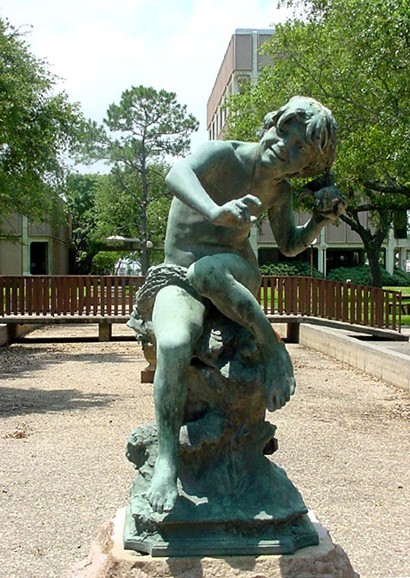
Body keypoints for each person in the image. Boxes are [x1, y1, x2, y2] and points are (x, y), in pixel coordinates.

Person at [129, 96, 346, 514]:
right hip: (180, 275)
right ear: (271, 122)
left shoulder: (279, 193)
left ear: (305, 169)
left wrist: (319, 222)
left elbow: (289, 245)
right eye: (285, 130)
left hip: (232, 274)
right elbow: (176, 172)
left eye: (300, 148)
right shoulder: (222, 154)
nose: (286, 145)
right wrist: (216, 211)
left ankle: (272, 347)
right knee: (173, 345)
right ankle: (168, 461)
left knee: (208, 272)